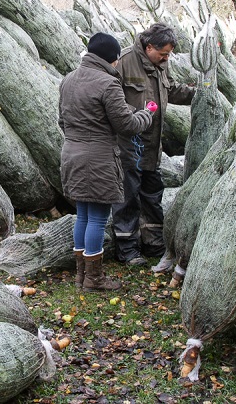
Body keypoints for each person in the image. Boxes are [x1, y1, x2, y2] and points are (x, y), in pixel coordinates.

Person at [59, 32, 154, 291]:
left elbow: (62, 121)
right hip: (98, 159)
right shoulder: (107, 83)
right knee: (99, 218)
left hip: (71, 154)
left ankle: (81, 275)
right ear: (110, 58)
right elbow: (126, 124)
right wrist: (146, 115)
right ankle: (94, 279)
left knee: (83, 215)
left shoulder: (68, 80)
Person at [112, 23, 195, 266]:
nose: (166, 58)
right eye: (163, 54)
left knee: (152, 196)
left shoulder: (161, 64)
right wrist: (133, 116)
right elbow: (111, 100)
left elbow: (170, 90)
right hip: (129, 145)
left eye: (168, 55)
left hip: (152, 147)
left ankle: (153, 243)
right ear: (149, 47)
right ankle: (127, 250)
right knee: (127, 198)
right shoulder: (124, 62)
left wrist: (197, 94)